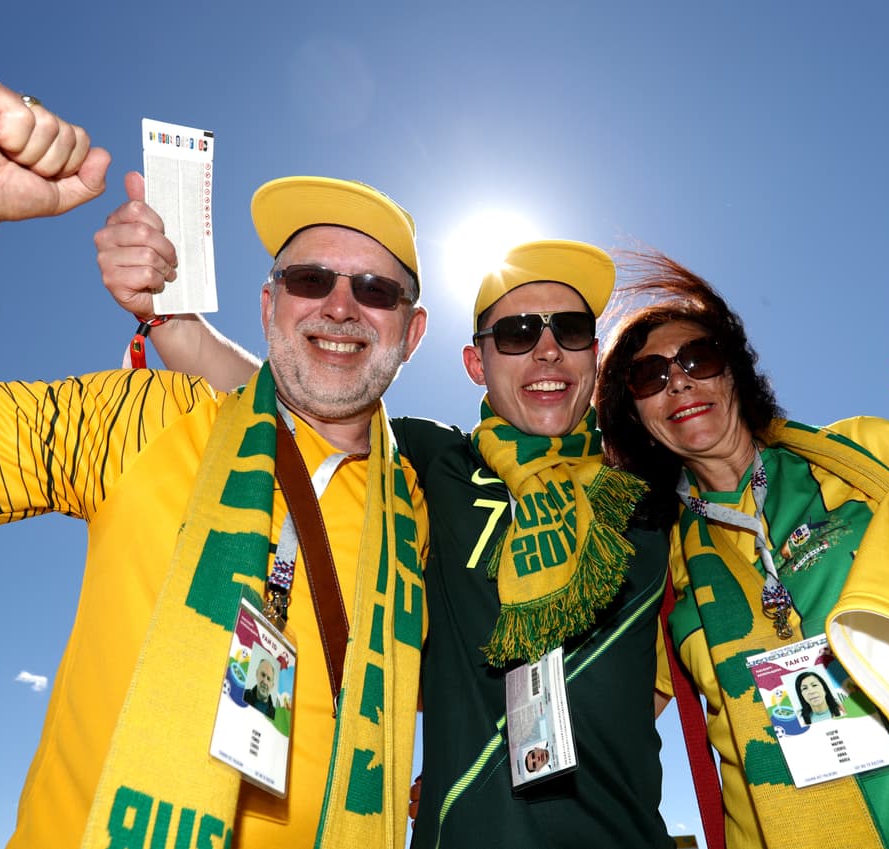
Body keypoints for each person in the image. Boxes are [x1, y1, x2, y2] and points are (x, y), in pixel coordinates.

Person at [0, 72, 430, 849]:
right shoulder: (145, 417)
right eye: (309, 278)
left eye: (376, 290)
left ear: (412, 332)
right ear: (269, 305)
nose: (339, 305)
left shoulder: (430, 512)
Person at [96, 203, 676, 847]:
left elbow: (653, 683)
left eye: (569, 330)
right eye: (515, 333)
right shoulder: (433, 463)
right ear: (476, 364)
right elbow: (294, 407)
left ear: (593, 356)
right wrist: (174, 324)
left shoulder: (651, 505)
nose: (545, 350)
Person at [594, 250, 889, 848]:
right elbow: (611, 722)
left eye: (698, 358)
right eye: (648, 377)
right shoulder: (660, 564)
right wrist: (489, 774)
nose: (678, 380)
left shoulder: (869, 455)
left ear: (732, 371)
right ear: (636, 412)